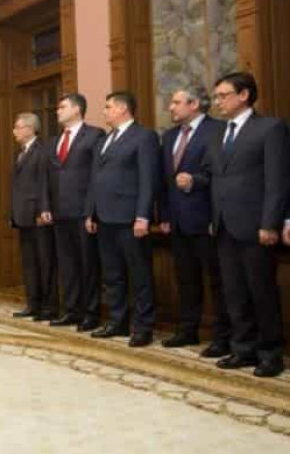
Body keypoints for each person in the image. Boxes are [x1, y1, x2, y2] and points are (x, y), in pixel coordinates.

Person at [201, 72, 289, 377]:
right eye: (216, 96)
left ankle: (270, 353)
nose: (218, 102)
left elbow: (277, 181)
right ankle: (243, 349)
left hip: (256, 225)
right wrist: (213, 217)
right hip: (224, 225)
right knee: (234, 292)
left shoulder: (271, 128)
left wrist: (270, 222)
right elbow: (214, 177)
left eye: (223, 95)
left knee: (261, 291)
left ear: (244, 95)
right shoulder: (218, 133)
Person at [159, 87, 230, 356]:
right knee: (186, 280)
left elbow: (222, 175)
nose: (171, 107)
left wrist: (195, 181)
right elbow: (164, 181)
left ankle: (222, 337)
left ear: (194, 104)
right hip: (178, 222)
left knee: (218, 282)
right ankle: (187, 330)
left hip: (208, 221)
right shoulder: (169, 136)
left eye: (176, 102)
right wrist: (165, 215)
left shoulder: (218, 130)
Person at [85, 91, 159, 347]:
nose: (104, 111)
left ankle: (143, 327)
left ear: (123, 108)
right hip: (104, 217)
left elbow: (148, 179)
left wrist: (143, 216)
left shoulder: (144, 136)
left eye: (108, 107)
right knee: (113, 274)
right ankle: (118, 322)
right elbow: (95, 179)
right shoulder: (105, 139)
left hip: (130, 218)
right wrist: (91, 212)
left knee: (140, 275)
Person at [42, 93, 104, 331]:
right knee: (67, 265)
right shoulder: (53, 141)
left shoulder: (95, 135)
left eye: (62, 106)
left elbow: (97, 176)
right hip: (59, 213)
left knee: (88, 265)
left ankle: (91, 313)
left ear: (77, 109)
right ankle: (72, 310)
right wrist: (45, 206)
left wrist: (92, 211)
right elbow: (46, 178)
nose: (57, 110)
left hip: (83, 212)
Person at [10, 113, 57, 321]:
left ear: (30, 129)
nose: (15, 131)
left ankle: (49, 307)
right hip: (22, 216)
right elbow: (17, 187)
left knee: (45, 262)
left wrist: (42, 210)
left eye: (18, 127)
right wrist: (13, 213)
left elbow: (45, 184)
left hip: (38, 216)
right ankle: (33, 304)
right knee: (29, 263)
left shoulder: (43, 151)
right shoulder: (20, 153)